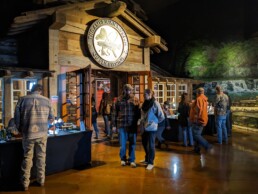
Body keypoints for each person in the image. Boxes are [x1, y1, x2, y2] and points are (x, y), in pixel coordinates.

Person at [14, 84, 54, 191]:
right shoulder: (47, 101)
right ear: (40, 91)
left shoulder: (22, 100)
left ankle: (25, 183)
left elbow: (16, 119)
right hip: (42, 134)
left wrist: (20, 129)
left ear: (31, 90)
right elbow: (51, 118)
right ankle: (41, 180)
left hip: (28, 134)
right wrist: (45, 125)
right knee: (41, 157)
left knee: (27, 157)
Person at [113, 84, 140, 168]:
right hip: (122, 124)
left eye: (130, 90)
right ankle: (123, 159)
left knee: (133, 143)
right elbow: (114, 113)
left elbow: (138, 113)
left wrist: (139, 122)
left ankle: (132, 160)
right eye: (127, 90)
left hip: (132, 125)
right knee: (122, 144)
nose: (129, 92)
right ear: (124, 90)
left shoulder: (135, 99)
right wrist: (114, 125)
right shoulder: (118, 100)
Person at [140, 89, 165, 170]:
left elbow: (161, 116)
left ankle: (151, 162)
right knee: (144, 142)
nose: (144, 95)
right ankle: (147, 159)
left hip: (152, 127)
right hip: (145, 127)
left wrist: (155, 122)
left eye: (145, 94)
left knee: (151, 145)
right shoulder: (145, 103)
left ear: (150, 94)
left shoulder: (155, 103)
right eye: (144, 94)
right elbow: (143, 114)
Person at [189, 87, 213, 154]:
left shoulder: (199, 99)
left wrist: (196, 119)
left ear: (197, 92)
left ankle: (207, 145)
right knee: (197, 134)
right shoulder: (204, 99)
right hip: (203, 119)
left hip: (199, 120)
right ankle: (197, 149)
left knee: (196, 135)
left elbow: (198, 110)